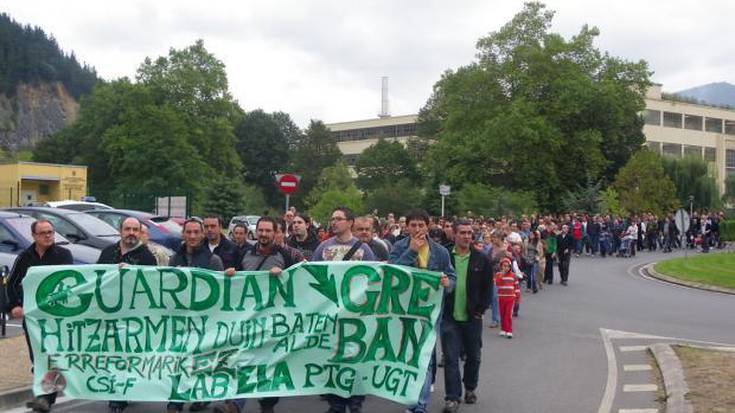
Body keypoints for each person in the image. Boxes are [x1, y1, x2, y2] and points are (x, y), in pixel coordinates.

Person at [218, 217, 300, 413]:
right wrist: (230, 274)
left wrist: (284, 275)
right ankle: (236, 404)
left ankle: (267, 404)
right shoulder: (244, 253)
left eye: (267, 231)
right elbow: (236, 279)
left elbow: (298, 282)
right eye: (260, 230)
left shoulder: (285, 256)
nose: (263, 234)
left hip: (276, 321)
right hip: (249, 319)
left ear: (275, 233)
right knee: (245, 360)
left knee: (272, 362)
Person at [388, 209, 454, 413]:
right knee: (407, 357)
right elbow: (392, 275)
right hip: (405, 311)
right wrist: (412, 252)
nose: (417, 229)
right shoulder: (399, 247)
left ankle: (419, 406)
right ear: (406, 227)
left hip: (429, 313)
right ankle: (410, 399)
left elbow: (452, 277)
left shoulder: (440, 251)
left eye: (421, 225)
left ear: (428, 226)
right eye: (413, 225)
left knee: (424, 357)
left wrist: (447, 282)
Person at [310, 207, 375, 413]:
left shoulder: (364, 250)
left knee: (356, 361)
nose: (333, 222)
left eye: (338, 218)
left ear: (350, 222)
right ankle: (336, 403)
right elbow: (312, 278)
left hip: (357, 318)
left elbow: (374, 281)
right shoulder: (322, 248)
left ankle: (355, 403)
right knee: (332, 360)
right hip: (331, 318)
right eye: (332, 218)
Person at [6, 219, 73, 413]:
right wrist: (15, 305)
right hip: (34, 319)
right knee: (38, 358)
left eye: (51, 232)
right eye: (43, 233)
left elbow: (68, 283)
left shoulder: (63, 255)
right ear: (34, 236)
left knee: (52, 357)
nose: (48, 236)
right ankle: (43, 397)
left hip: (57, 318)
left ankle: (45, 399)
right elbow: (12, 283)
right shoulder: (25, 257)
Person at [97, 217, 157, 413]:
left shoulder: (147, 257)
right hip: (109, 314)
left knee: (127, 355)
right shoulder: (107, 252)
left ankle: (120, 396)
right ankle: (116, 389)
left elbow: (151, 286)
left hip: (133, 316)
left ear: (140, 232)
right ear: (120, 230)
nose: (131, 233)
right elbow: (95, 277)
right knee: (112, 354)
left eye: (135, 229)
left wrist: (130, 273)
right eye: (127, 229)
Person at [167, 218, 224, 413]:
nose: (192, 236)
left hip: (204, 321)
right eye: (188, 232)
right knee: (179, 360)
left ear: (202, 235)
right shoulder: (174, 260)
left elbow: (221, 292)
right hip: (181, 320)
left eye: (195, 232)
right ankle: (176, 401)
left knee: (202, 361)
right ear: (183, 235)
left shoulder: (213, 260)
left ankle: (201, 396)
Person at [441, 219, 491, 412]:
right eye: (462, 232)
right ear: (454, 234)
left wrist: (480, 310)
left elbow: (488, 288)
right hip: (449, 317)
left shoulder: (481, 259)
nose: (467, 236)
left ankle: (470, 387)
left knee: (474, 357)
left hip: (472, 318)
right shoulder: (445, 257)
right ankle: (452, 398)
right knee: (451, 359)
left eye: (470, 233)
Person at [494, 257, 518, 338]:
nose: (506, 268)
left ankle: (509, 330)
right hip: (501, 297)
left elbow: (516, 287)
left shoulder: (513, 276)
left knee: (508, 314)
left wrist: (518, 297)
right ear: (501, 266)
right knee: (502, 314)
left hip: (510, 298)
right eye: (504, 266)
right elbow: (497, 283)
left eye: (507, 266)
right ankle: (503, 329)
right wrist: (501, 275)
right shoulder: (498, 275)